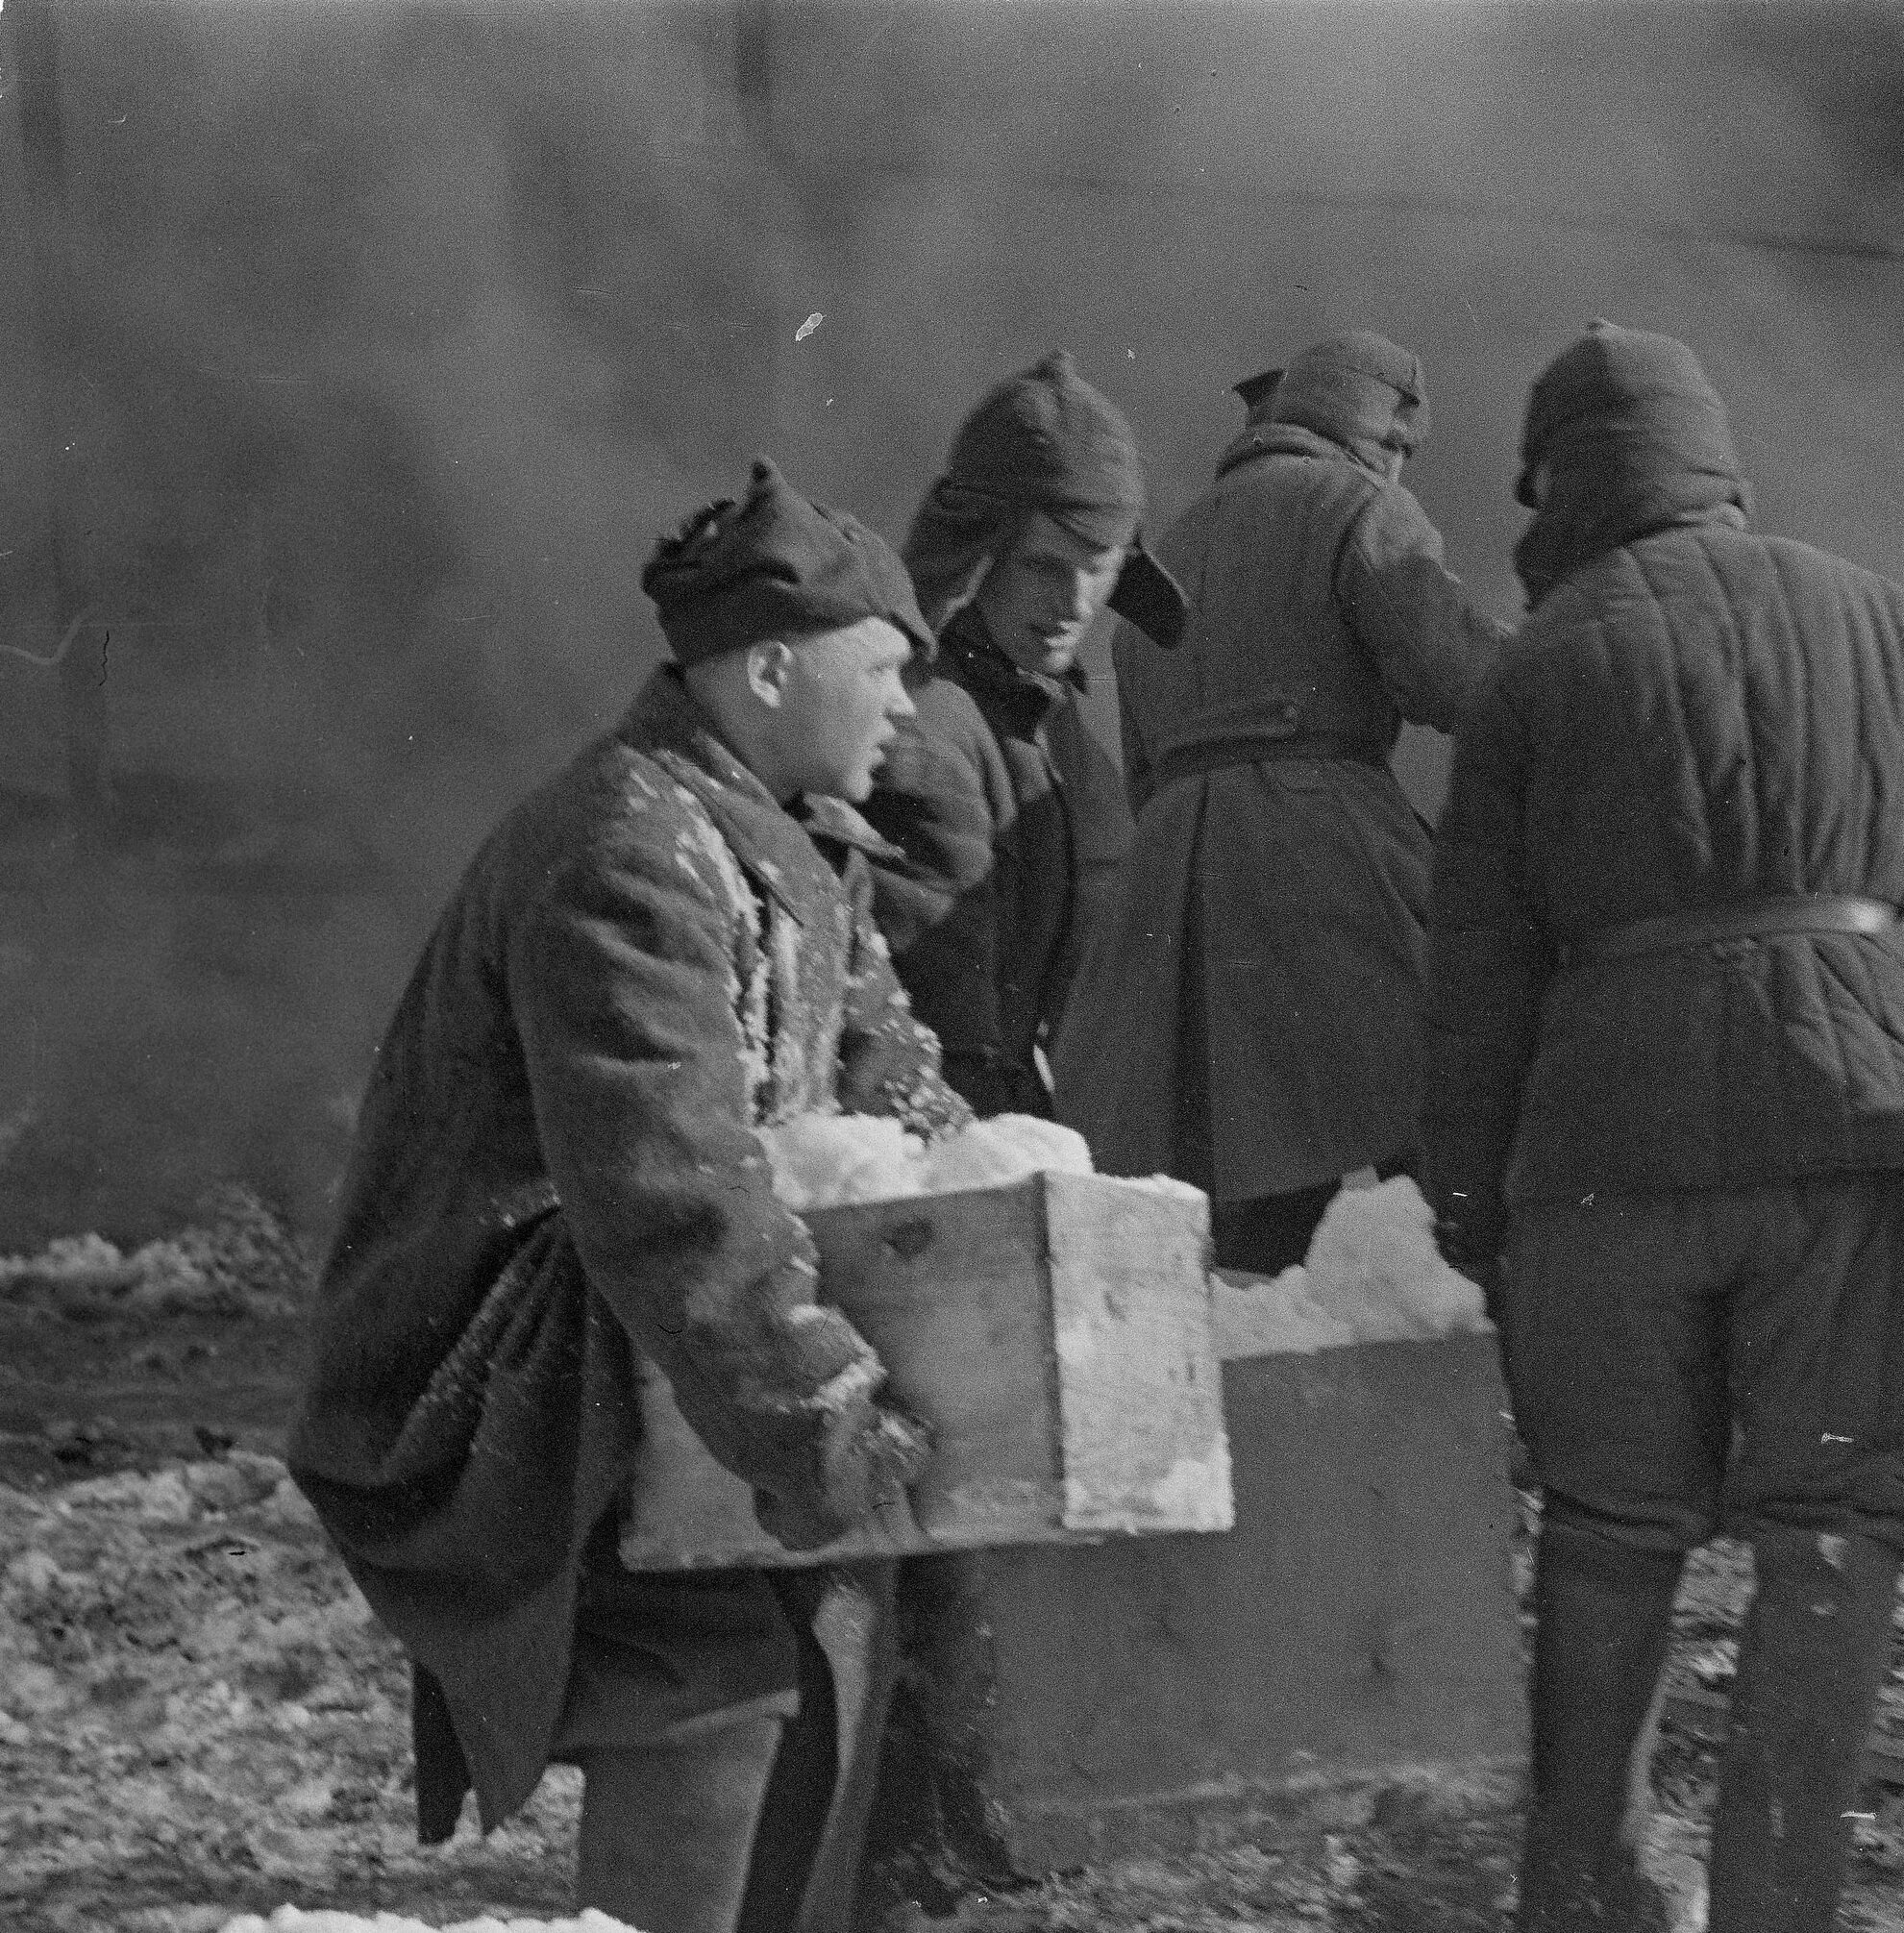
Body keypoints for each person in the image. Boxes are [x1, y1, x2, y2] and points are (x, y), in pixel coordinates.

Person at [1422, 322, 1904, 1933]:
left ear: (1560, 483)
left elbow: (1479, 972)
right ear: (1714, 466)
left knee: (1610, 1528)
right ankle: (1781, 1905)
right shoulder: (1891, 621)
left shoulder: (1538, 666)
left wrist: (1468, 1204)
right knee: (1838, 1534)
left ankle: (1585, 1892)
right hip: (1868, 1133)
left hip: (1612, 1151)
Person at [286, 460, 963, 1933]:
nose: (910, 708)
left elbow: (905, 1100)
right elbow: (670, 1193)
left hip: (642, 1338)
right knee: (711, 1657)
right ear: (773, 668)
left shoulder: (779, 842)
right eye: (886, 672)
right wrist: (824, 1416)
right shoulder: (627, 850)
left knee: (845, 1607)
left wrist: (1013, 1217)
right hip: (512, 1370)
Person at [1054, 329, 1509, 1274]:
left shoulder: (1172, 547)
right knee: (1446, 1111)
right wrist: (1565, 665)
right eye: (1398, 448)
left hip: (1173, 875)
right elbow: (1451, 677)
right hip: (1323, 841)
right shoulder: (1359, 507)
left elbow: (1143, 768)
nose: (1397, 467)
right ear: (1374, 431)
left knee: (1243, 1187)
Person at [861, 350, 1181, 1119]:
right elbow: (941, 1048)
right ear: (979, 555)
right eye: (1042, 564)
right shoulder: (929, 732)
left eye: (1097, 565)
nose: (1074, 601)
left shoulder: (1059, 738)